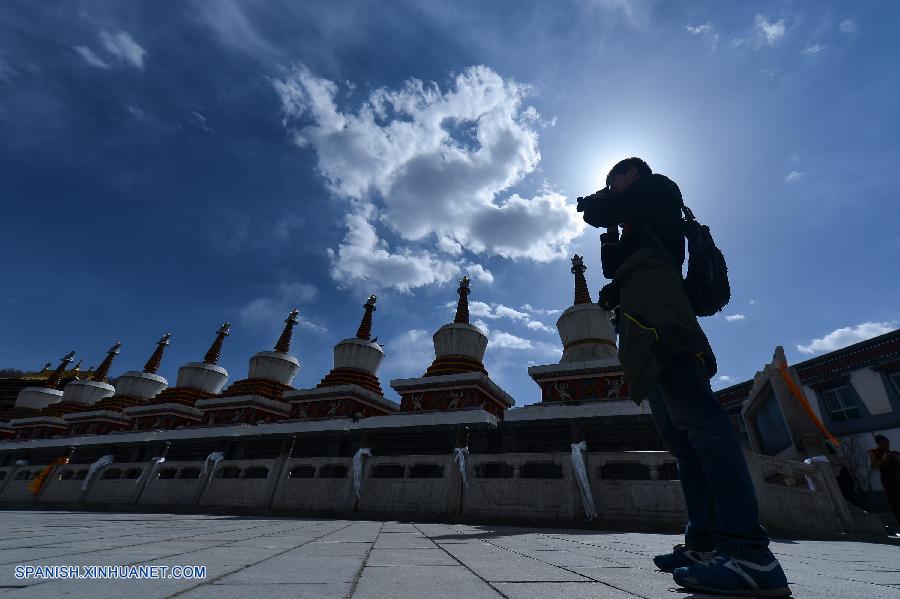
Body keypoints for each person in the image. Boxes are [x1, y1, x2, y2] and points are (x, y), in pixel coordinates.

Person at [579, 157, 791, 597]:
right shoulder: (634, 216)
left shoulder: (658, 188)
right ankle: (703, 542)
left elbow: (600, 209)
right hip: (635, 310)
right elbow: (609, 264)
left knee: (699, 419)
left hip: (659, 305)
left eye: (612, 178)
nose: (608, 186)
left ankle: (749, 551)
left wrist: (601, 205)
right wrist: (612, 230)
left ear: (632, 173)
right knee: (679, 436)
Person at [868, 434, 900, 528]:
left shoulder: (893, 452)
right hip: (889, 482)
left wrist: (894, 457)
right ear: (878, 444)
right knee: (896, 504)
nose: (886, 446)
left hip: (898, 479)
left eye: (887, 444)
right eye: (883, 444)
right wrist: (883, 460)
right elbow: (873, 466)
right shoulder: (874, 453)